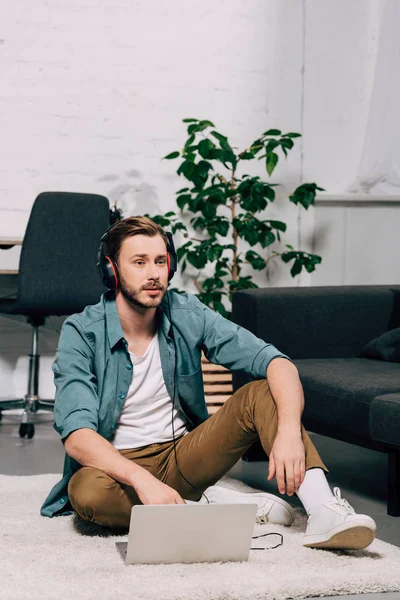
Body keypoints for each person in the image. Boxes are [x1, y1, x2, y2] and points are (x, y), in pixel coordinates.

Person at [41, 216, 377, 550]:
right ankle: (218, 508)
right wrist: (141, 479)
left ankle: (323, 511)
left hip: (184, 455)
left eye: (160, 261)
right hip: (117, 468)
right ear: (111, 270)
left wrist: (289, 430)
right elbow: (77, 436)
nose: (154, 273)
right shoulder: (82, 331)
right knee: (86, 494)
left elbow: (276, 362)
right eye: (139, 262)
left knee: (263, 392)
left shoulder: (188, 312)